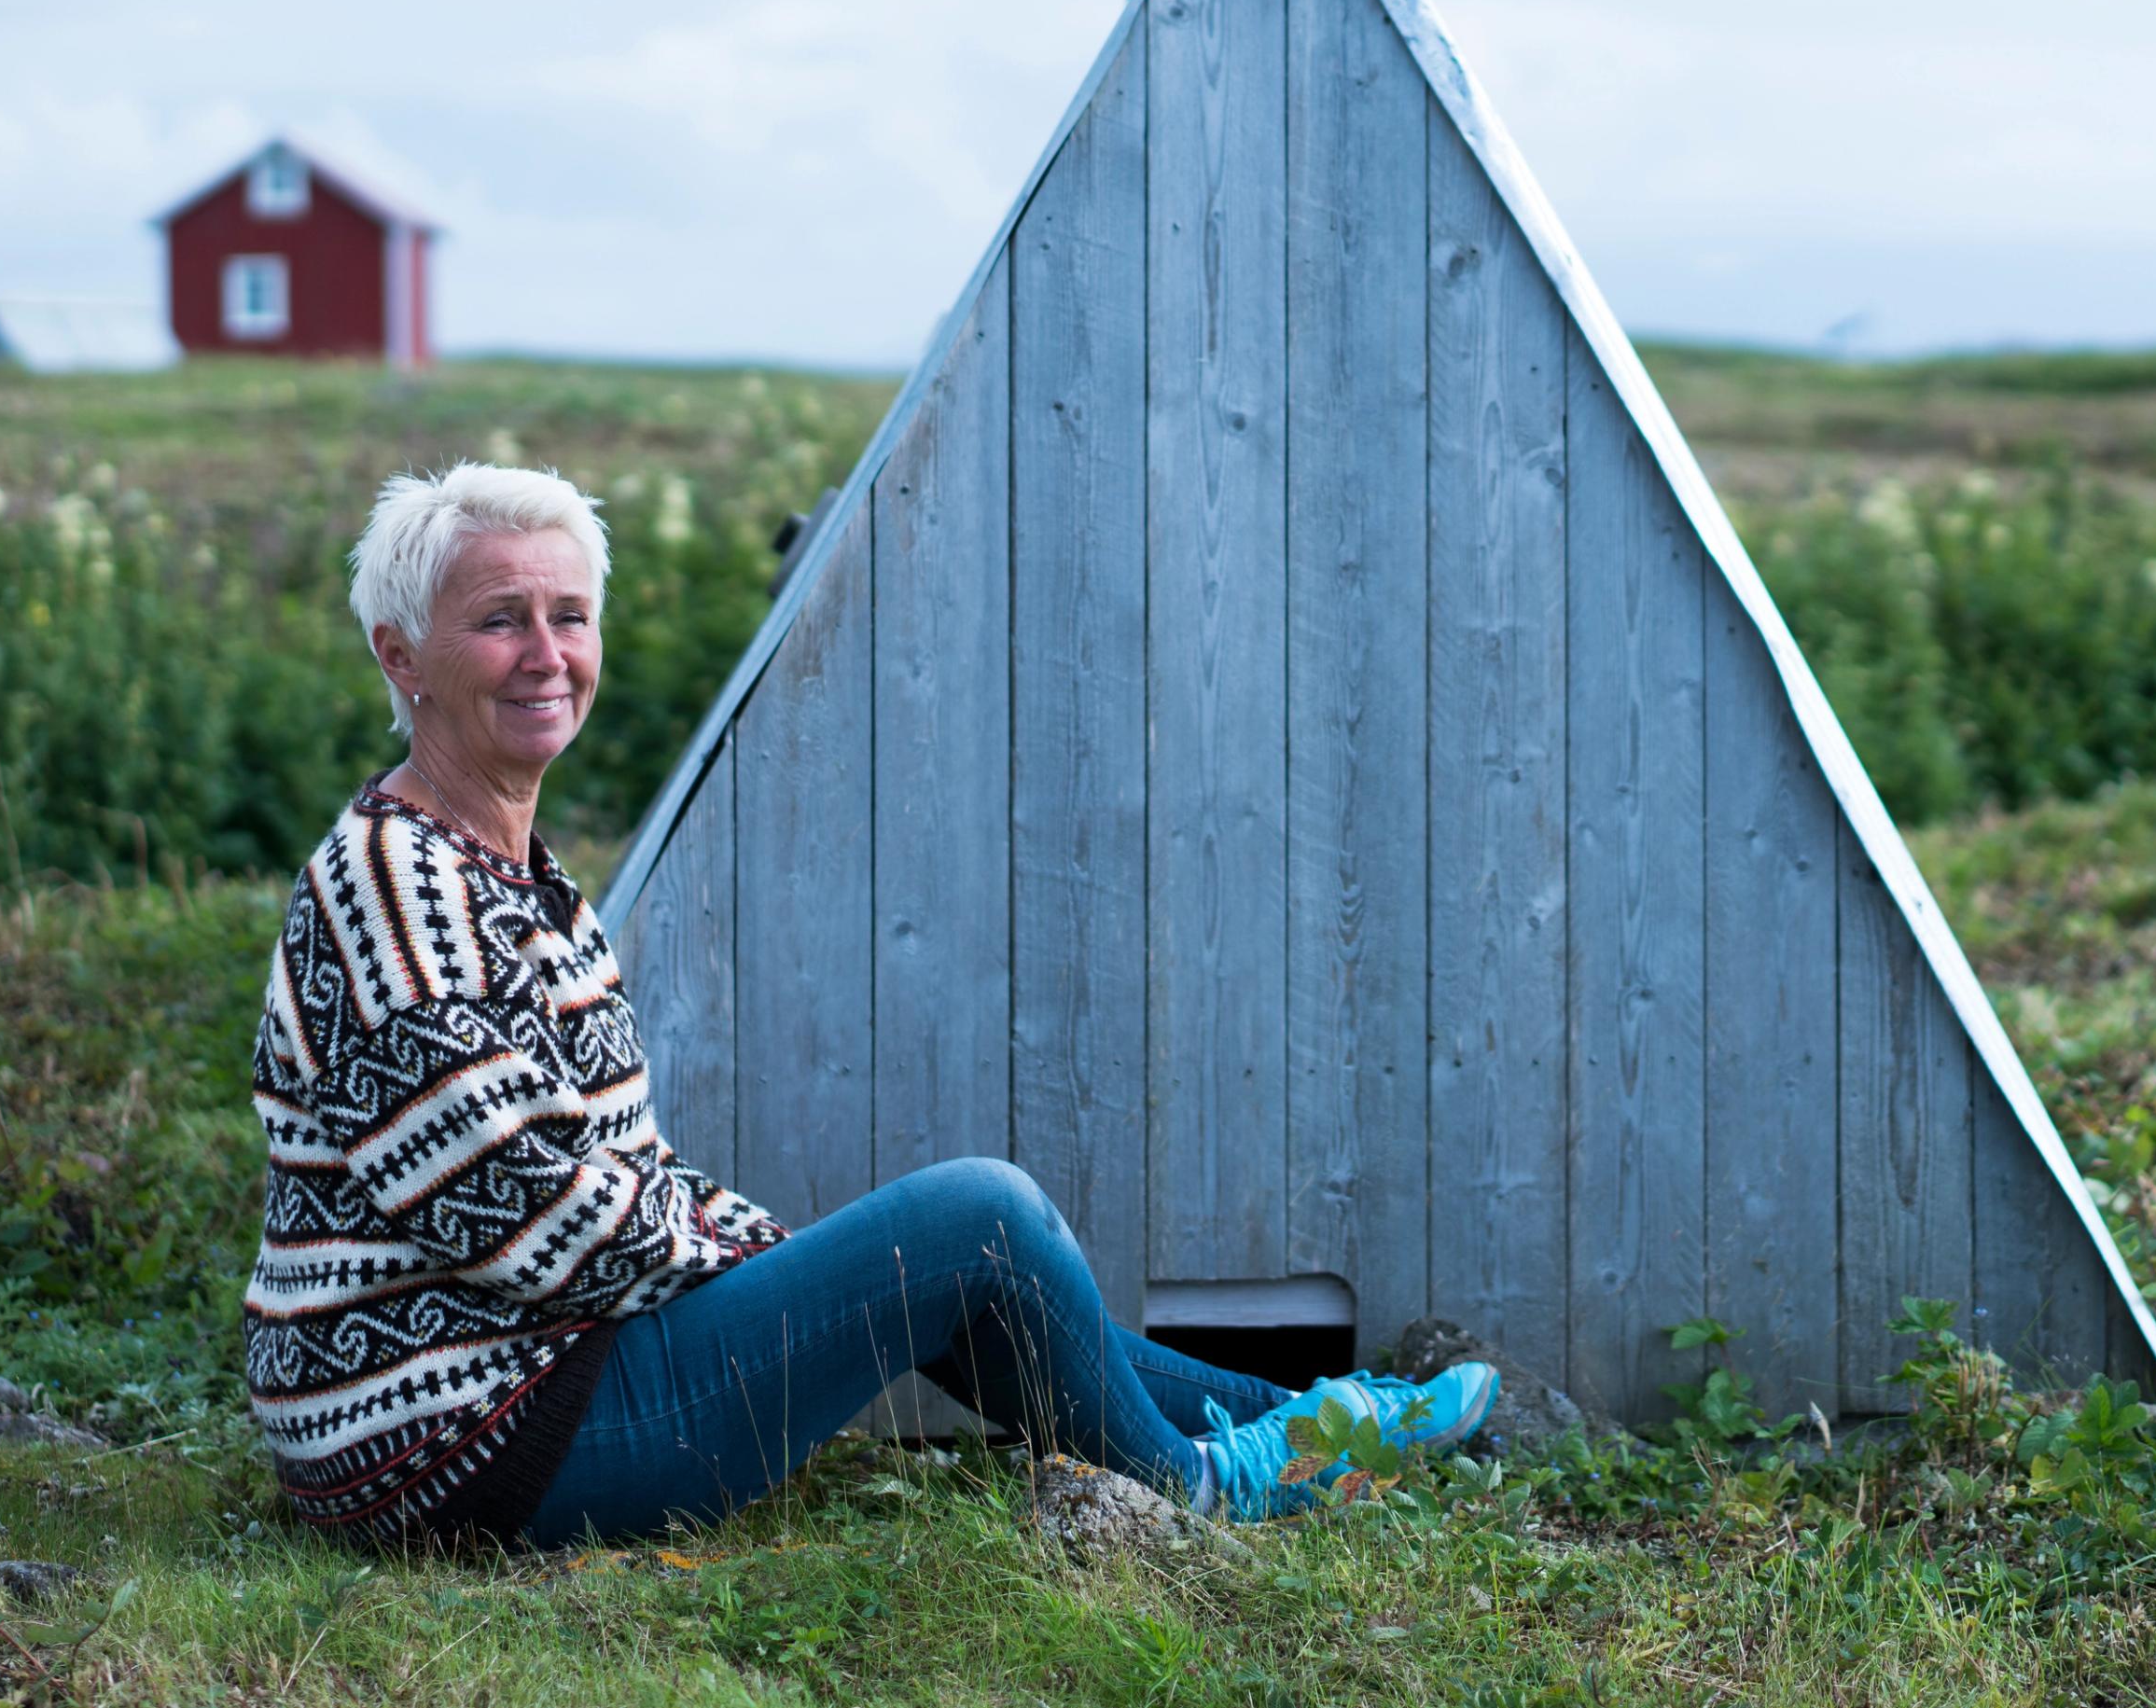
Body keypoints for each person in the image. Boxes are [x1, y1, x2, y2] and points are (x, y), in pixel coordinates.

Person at [245, 463, 1495, 1549]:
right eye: (498, 620)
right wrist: (752, 1254)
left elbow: (609, 1177)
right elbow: (529, 1224)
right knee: (973, 1218)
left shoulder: (505, 872)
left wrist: (750, 1249)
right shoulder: (395, 895)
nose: (548, 652)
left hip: (529, 1387)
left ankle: (1294, 1424)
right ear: (399, 654)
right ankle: (1210, 1480)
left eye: (570, 615)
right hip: (458, 1445)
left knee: (950, 1255)